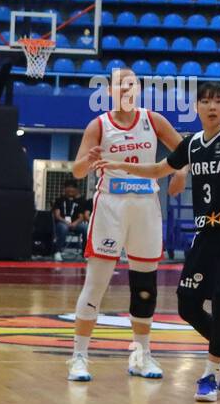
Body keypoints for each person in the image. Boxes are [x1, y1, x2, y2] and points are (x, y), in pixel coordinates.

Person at [97, 76, 220, 403]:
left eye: (218, 101)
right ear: (197, 107)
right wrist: (115, 164)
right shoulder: (192, 144)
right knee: (187, 305)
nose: (211, 106)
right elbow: (158, 170)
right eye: (205, 101)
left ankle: (209, 375)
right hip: (206, 236)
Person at [67, 68, 186, 383]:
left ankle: (141, 354)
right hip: (110, 207)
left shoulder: (153, 120)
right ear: (110, 91)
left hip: (145, 205)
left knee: (145, 287)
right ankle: (79, 356)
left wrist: (181, 172)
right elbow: (78, 171)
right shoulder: (99, 125)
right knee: (96, 283)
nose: (127, 88)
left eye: (132, 83)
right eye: (121, 83)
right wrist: (87, 159)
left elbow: (184, 150)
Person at [51, 178, 90, 260]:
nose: (70, 189)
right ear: (64, 189)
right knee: (63, 228)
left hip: (75, 224)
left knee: (86, 228)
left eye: (73, 187)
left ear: (76, 189)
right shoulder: (59, 200)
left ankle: (85, 253)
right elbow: (57, 215)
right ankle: (57, 252)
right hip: (62, 223)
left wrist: (75, 223)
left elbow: (81, 217)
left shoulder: (80, 201)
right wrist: (66, 222)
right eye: (68, 187)